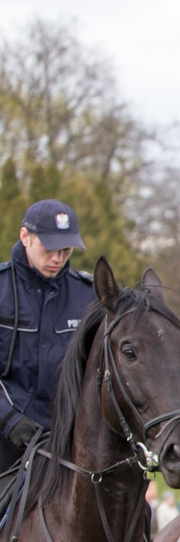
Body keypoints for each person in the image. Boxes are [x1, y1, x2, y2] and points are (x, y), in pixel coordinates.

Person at [0, 200, 95, 473]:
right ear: (25, 237)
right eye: (50, 248)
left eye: (65, 250)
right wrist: (9, 421)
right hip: (5, 437)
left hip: (67, 441)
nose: (58, 258)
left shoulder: (87, 296)